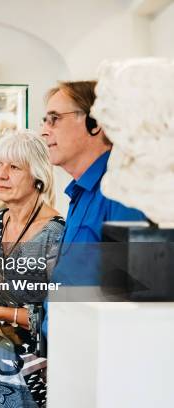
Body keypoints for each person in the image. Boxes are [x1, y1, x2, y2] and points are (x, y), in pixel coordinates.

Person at [40, 81, 146, 337]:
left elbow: (132, 296)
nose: (44, 131)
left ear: (94, 123)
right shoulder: (80, 193)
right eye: (45, 120)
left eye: (54, 119)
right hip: (69, 353)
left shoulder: (121, 189)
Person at [0, 130, 64, 408]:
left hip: (32, 369)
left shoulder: (54, 233)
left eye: (14, 167)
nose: (1, 174)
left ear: (38, 177)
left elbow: (58, 315)